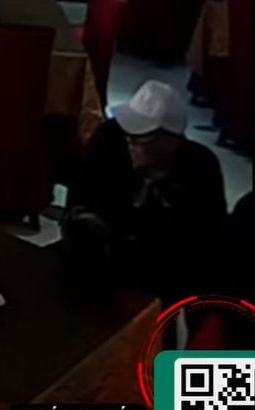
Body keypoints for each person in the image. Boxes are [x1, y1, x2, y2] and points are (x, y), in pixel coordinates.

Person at [62, 81, 227, 303]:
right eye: (128, 137)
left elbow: (207, 246)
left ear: (170, 142)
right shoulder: (110, 139)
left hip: (161, 278)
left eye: (140, 140)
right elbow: (79, 197)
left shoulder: (200, 167)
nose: (130, 144)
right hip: (97, 263)